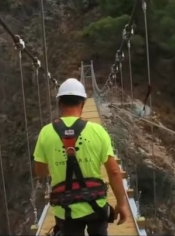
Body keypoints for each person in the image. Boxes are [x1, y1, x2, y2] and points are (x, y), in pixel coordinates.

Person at [33, 78, 128, 236]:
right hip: (96, 205)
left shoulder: (46, 133)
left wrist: (57, 164)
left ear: (60, 103)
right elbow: (114, 171)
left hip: (64, 208)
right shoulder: (98, 131)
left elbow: (41, 171)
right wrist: (121, 203)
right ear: (83, 103)